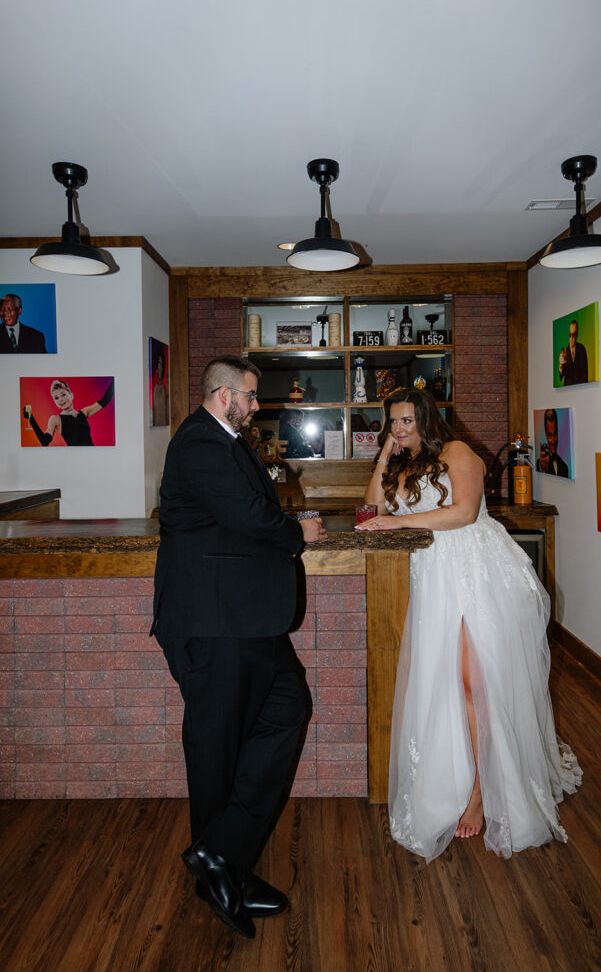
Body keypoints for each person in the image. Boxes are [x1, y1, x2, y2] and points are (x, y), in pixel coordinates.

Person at [359, 388, 581, 860]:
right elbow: (373, 507)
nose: (400, 429)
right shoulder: (403, 461)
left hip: (475, 575)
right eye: (393, 422)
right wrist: (384, 455)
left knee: (471, 683)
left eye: (407, 421)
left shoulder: (458, 452)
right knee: (443, 684)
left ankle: (480, 792)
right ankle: (454, 778)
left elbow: (462, 513)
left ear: (427, 419)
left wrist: (400, 526)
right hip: (433, 579)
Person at [151, 355, 326, 938]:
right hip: (214, 624)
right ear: (224, 395)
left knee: (287, 710)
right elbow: (251, 516)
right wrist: (296, 531)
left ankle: (220, 854)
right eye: (251, 397)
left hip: (246, 622)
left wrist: (285, 521)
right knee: (215, 750)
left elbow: (242, 514)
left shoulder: (224, 441)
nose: (257, 407)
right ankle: (218, 877)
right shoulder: (200, 441)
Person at [23, 378, 114, 446]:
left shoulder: (84, 412)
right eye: (56, 398)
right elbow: (45, 441)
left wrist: (115, 378)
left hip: (92, 456)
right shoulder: (56, 419)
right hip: (74, 459)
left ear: (71, 394)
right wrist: (31, 418)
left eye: (63, 394)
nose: (61, 400)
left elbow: (106, 399)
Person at [536, 409, 569, 477]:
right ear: (546, 434)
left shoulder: (564, 467)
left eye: (555, 434)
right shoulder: (539, 464)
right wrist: (543, 468)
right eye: (550, 435)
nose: (553, 440)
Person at [558, 320, 588, 385]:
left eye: (573, 335)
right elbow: (561, 377)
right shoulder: (564, 352)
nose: (571, 338)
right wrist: (560, 365)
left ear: (577, 335)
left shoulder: (582, 349)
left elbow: (585, 375)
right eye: (570, 335)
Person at [152, 345, 169, 426]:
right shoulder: (156, 389)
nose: (159, 368)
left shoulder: (163, 389)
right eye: (158, 364)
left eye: (161, 365)